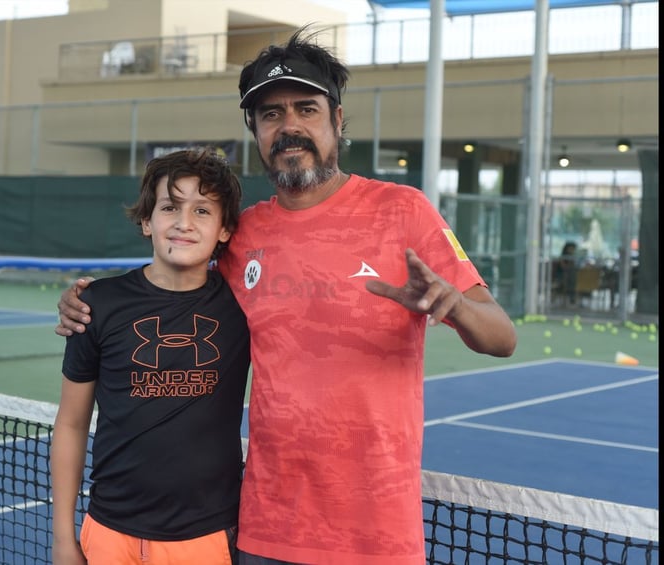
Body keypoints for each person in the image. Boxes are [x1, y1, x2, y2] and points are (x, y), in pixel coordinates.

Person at [56, 27, 517, 565]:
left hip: (378, 535)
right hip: (264, 529)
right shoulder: (242, 233)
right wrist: (86, 302)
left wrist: (455, 306)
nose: (289, 126)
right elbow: (169, 283)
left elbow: (501, 337)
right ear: (255, 129)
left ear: (338, 121)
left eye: (306, 108)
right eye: (271, 115)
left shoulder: (405, 211)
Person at [51, 148, 250, 565]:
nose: (183, 223)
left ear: (225, 229)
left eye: (202, 211)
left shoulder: (244, 307)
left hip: (205, 537)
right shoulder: (97, 305)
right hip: (107, 533)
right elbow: (70, 423)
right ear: (147, 220)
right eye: (169, 207)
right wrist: (62, 539)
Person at [555, 240, 579, 305]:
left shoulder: (573, 257)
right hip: (562, 276)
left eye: (574, 249)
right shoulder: (563, 257)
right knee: (571, 277)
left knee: (573, 277)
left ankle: (572, 296)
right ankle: (572, 296)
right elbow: (563, 267)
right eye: (571, 248)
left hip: (570, 276)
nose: (573, 250)